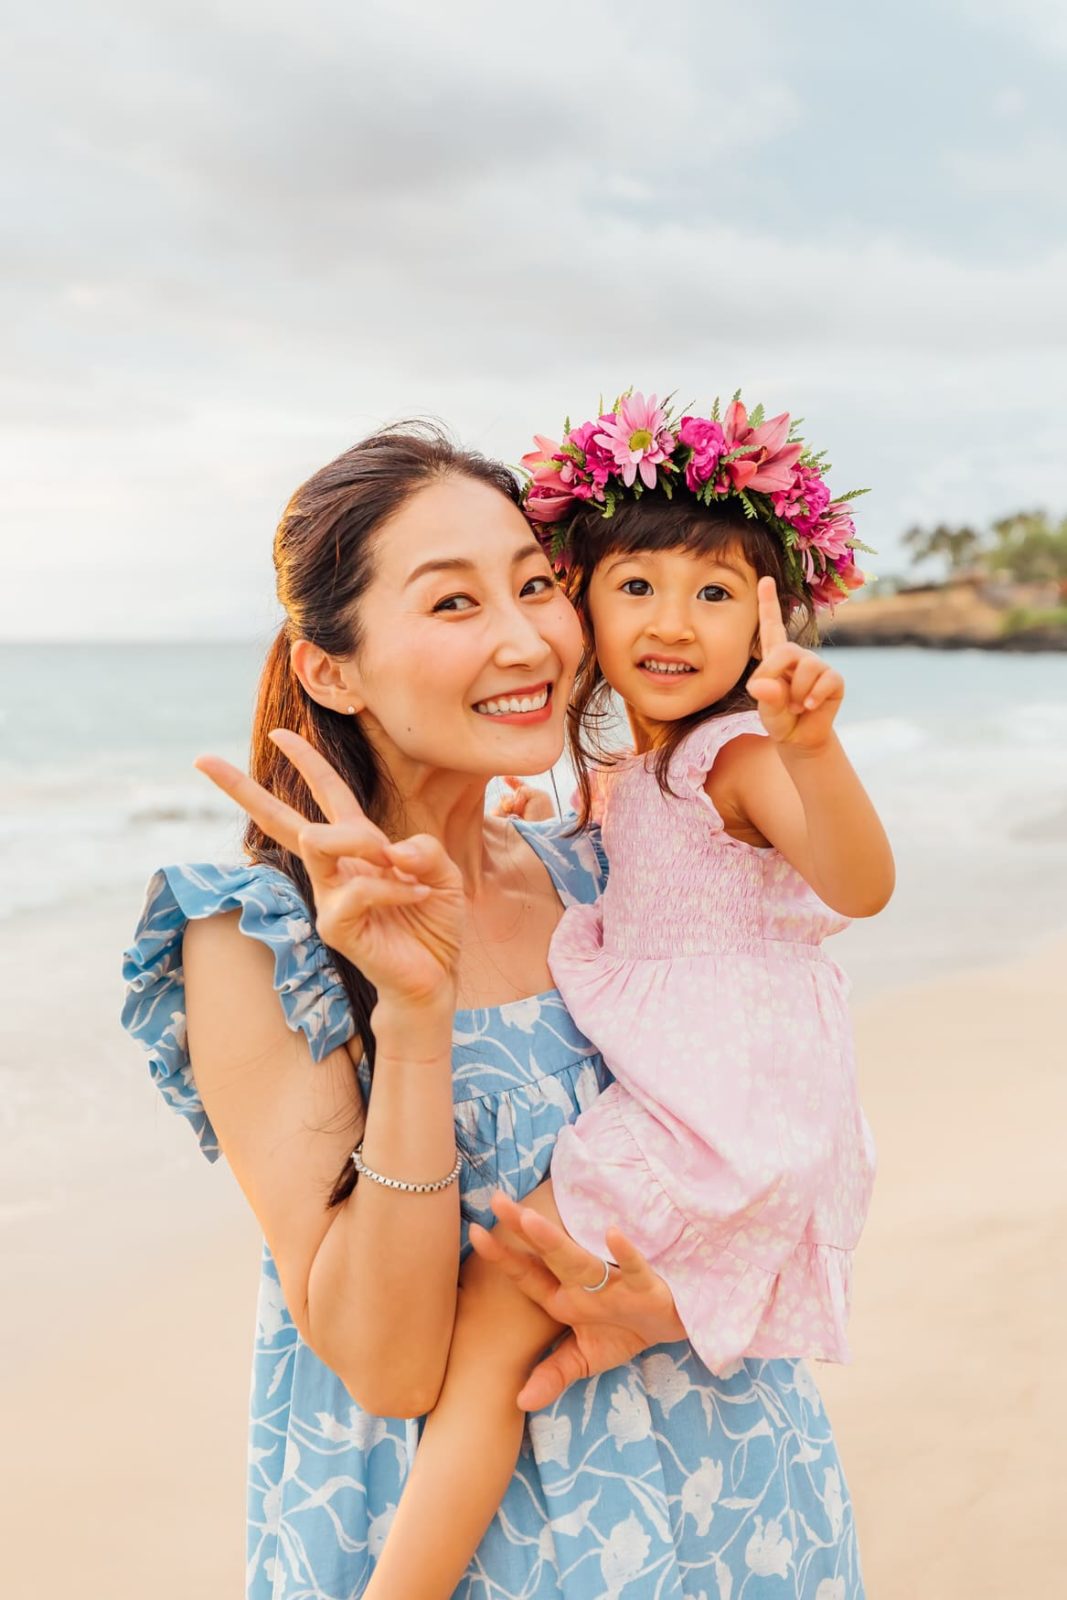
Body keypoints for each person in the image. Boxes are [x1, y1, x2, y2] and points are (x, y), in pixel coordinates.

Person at [122, 420, 869, 1600]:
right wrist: (414, 1018)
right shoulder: (258, 935)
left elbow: (768, 1128)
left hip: (733, 1497)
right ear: (332, 667)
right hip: (472, 1550)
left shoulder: (599, 878)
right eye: (453, 604)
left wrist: (662, 1301)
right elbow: (388, 1361)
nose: (525, 638)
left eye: (534, 584)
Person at [360, 393, 893, 1598]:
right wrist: (526, 819)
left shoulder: (734, 757)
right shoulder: (632, 774)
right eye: (636, 585)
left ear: (771, 616)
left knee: (492, 1316)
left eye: (716, 594)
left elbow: (857, 883)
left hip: (713, 1122)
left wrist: (810, 745)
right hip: (731, 1114)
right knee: (526, 1331)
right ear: (580, 596)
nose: (672, 622)